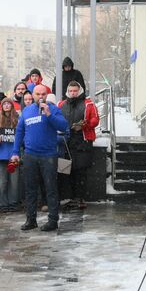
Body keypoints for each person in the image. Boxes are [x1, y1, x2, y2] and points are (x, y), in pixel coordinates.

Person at [14, 83, 69, 232]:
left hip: (49, 155)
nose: (40, 97)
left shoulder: (53, 109)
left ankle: (53, 220)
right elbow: (20, 132)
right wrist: (15, 152)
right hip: (30, 155)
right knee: (30, 189)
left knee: (50, 188)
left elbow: (63, 127)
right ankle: (31, 219)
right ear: (32, 95)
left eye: (43, 94)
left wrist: (49, 114)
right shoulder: (27, 111)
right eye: (37, 94)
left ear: (47, 95)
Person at [57, 79, 99, 210]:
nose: (73, 93)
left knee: (80, 172)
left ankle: (79, 198)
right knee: (65, 171)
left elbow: (95, 119)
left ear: (79, 91)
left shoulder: (89, 104)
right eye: (70, 91)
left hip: (83, 142)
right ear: (67, 91)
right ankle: (68, 197)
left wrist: (84, 125)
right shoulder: (61, 104)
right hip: (66, 142)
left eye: (75, 91)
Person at [0, 96, 20, 213]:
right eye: (4, 104)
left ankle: (13, 203)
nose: (7, 106)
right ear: (1, 106)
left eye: (9, 104)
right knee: (2, 182)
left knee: (14, 182)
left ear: (12, 106)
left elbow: (22, 135)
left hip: (14, 154)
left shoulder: (18, 119)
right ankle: (2, 204)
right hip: (0, 154)